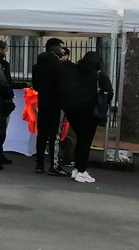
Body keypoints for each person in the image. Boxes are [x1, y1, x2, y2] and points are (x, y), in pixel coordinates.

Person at [61, 51, 113, 184]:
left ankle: (77, 168)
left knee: (80, 138)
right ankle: (81, 170)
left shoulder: (73, 71)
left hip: (72, 110)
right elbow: (109, 92)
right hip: (90, 111)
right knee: (85, 141)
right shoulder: (99, 75)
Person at [32, 37, 68, 175]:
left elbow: (35, 86)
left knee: (41, 134)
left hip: (43, 102)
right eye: (60, 47)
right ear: (52, 48)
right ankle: (54, 165)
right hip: (56, 104)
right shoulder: (59, 66)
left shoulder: (37, 66)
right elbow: (63, 86)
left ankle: (40, 164)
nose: (63, 50)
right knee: (54, 135)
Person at [0, 39, 18, 164]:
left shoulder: (4, 64)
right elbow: (5, 82)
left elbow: (8, 81)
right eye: (5, 50)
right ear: (0, 50)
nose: (6, 52)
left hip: (1, 99)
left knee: (1, 129)